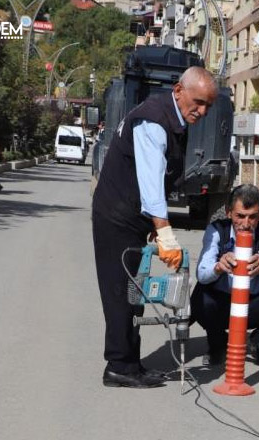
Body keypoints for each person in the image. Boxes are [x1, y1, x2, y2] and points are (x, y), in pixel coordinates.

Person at [92, 66, 219, 389]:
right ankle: (119, 365)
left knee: (133, 292)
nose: (202, 111)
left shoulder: (171, 117)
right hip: (117, 214)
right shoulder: (154, 121)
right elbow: (150, 182)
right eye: (198, 102)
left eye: (208, 106)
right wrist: (165, 233)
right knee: (120, 292)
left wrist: (152, 224)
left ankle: (131, 362)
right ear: (178, 90)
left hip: (131, 215)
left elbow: (157, 180)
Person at [191, 184, 259, 367]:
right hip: (222, 302)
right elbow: (202, 273)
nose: (246, 224)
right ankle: (217, 345)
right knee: (201, 301)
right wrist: (218, 267)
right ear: (228, 212)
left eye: (252, 217)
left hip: (254, 303)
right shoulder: (216, 230)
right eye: (240, 216)